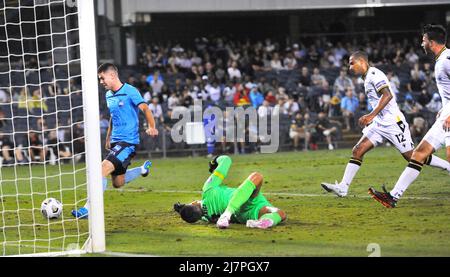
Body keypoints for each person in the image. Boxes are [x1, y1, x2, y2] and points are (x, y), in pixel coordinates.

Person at [321, 51, 450, 198]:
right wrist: (374, 118)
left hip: (393, 123)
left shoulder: (375, 75)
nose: (350, 67)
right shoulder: (366, 77)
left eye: (352, 63)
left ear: (362, 62)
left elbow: (388, 95)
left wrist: (371, 115)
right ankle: (343, 187)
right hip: (379, 123)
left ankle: (448, 166)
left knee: (412, 156)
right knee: (358, 150)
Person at [369, 24, 450, 208]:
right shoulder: (441, 59)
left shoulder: (446, 59)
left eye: (423, 40)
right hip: (446, 115)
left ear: (432, 41)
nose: (422, 43)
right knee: (419, 153)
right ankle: (393, 197)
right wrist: (445, 109)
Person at [72, 63, 159, 218]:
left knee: (100, 170)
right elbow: (113, 116)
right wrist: (108, 137)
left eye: (102, 78)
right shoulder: (108, 95)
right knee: (117, 183)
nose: (101, 82)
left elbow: (145, 108)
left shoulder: (130, 91)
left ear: (112, 75)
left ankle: (88, 209)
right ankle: (142, 170)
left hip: (128, 143)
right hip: (115, 142)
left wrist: (152, 126)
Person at [174, 155, 287, 229]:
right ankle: (227, 214)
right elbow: (226, 160)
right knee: (256, 177)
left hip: (245, 215)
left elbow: (194, 214)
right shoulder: (208, 190)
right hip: (243, 199)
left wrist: (181, 209)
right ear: (193, 202)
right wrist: (214, 161)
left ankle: (265, 221)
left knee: (280, 213)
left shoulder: (207, 218)